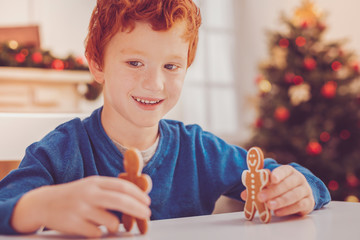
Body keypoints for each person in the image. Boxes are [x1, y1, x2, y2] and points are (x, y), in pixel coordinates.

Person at [0, 0, 330, 238]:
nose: (155, 84)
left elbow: (284, 180)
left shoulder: (201, 150)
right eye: (134, 63)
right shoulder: (62, 151)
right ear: (97, 64)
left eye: (171, 67)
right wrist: (42, 205)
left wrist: (302, 189)